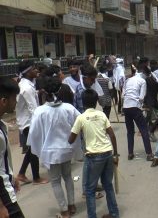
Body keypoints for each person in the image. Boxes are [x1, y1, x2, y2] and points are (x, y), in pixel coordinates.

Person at [28, 77, 80, 218]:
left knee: (56, 181)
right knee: (68, 177)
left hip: (50, 152)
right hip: (67, 150)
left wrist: (39, 149)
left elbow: (33, 133)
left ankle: (64, 211)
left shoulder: (40, 111)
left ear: (44, 92)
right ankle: (72, 205)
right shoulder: (69, 108)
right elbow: (80, 124)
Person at [68, 89, 119, 218]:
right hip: (107, 153)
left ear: (83, 103)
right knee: (108, 185)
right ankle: (114, 213)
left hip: (93, 156)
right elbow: (112, 135)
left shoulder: (81, 117)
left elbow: (71, 139)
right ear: (96, 102)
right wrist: (115, 154)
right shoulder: (102, 115)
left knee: (89, 190)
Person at [15, 60, 49, 185]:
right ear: (28, 72)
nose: (37, 71)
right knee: (34, 149)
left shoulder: (27, 84)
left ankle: (22, 173)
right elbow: (33, 109)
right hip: (29, 122)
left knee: (31, 148)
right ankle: (36, 178)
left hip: (27, 120)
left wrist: (38, 93)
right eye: (34, 69)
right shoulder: (26, 87)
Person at [0, 77, 25, 218]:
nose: (15, 103)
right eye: (14, 98)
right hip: (3, 195)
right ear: (4, 101)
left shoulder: (2, 123)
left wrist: (10, 175)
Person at [122, 57, 153, 161]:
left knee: (130, 131)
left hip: (126, 107)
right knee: (144, 130)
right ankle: (149, 154)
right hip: (135, 107)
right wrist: (141, 106)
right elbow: (141, 97)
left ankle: (130, 153)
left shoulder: (128, 80)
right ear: (144, 73)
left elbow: (123, 95)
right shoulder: (142, 81)